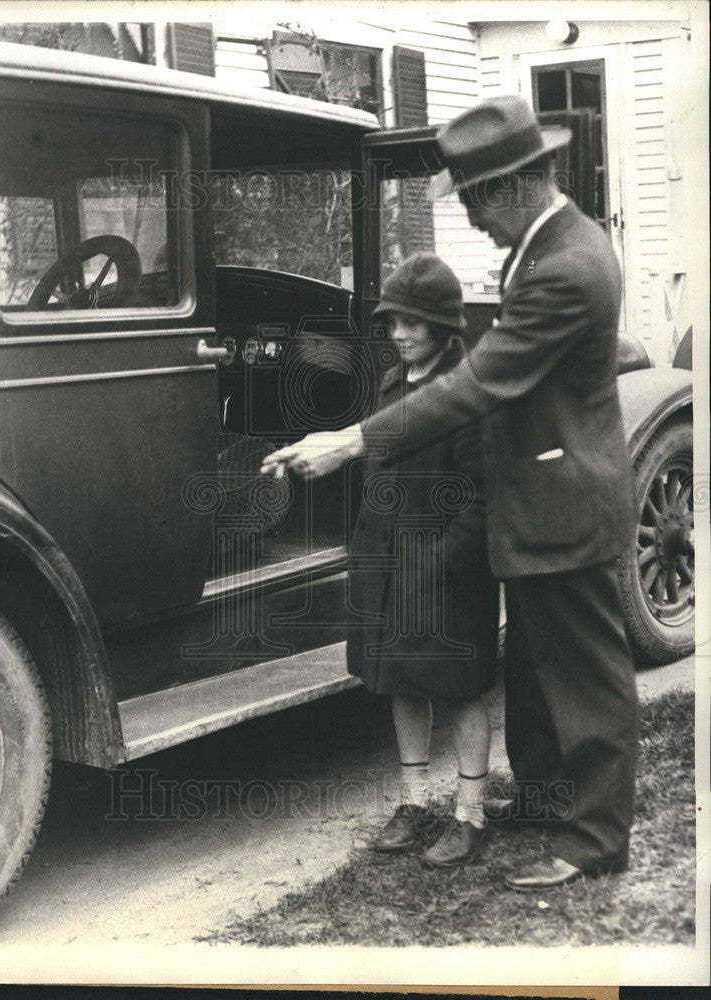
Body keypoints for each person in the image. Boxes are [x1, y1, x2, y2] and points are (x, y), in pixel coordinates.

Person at [262, 95, 639, 891]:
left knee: (584, 683)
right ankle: (544, 805)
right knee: (534, 675)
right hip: (540, 507)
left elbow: (477, 384)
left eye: (470, 200)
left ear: (508, 187)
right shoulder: (548, 246)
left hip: (562, 507)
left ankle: (594, 841)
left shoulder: (564, 266)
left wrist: (354, 439)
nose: (470, 220)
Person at [347, 253, 499, 864]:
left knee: (461, 690)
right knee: (401, 685)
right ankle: (415, 804)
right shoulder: (389, 385)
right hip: (388, 567)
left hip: (448, 572)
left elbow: (487, 498)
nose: (400, 334)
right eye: (392, 322)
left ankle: (471, 814)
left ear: (443, 326)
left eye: (412, 323)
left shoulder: (471, 391)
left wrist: (439, 563)